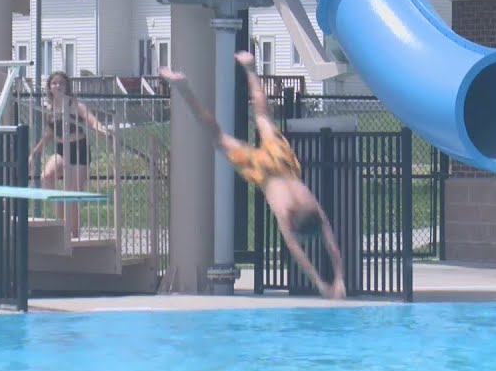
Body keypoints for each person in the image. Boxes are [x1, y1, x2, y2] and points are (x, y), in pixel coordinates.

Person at [160, 52, 345, 299]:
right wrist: (323, 283)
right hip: (263, 173)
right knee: (218, 137)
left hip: (283, 163)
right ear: (295, 224)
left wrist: (339, 276)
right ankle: (184, 89)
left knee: (261, 114)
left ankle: (249, 68)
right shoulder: (285, 214)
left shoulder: (312, 205)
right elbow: (297, 250)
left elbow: (330, 242)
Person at [29, 71, 116, 239]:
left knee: (73, 194)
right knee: (47, 175)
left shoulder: (76, 105)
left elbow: (92, 121)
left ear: (67, 86)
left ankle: (74, 234)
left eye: (61, 83)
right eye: (54, 83)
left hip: (79, 150)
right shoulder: (51, 110)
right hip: (62, 149)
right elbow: (49, 133)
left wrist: (102, 130)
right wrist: (35, 151)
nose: (58, 86)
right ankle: (62, 225)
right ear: (49, 87)